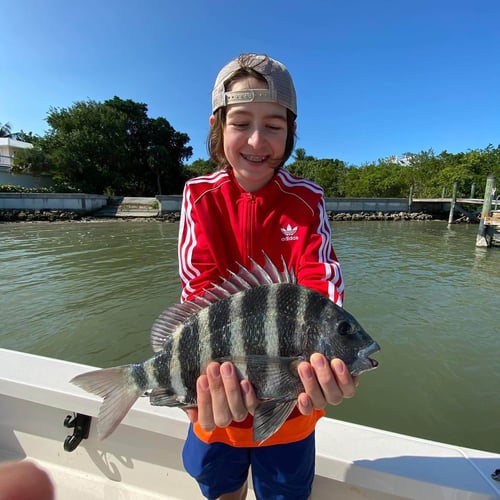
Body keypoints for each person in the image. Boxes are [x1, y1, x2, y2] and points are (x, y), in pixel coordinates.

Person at [178, 53, 357, 500]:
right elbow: (198, 293)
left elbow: (321, 284)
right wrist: (195, 389)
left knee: (284, 490)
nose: (258, 140)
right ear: (218, 127)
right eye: (241, 122)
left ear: (290, 132)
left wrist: (330, 354)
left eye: (274, 126)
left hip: (291, 405)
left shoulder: (307, 198)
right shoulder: (199, 195)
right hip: (216, 400)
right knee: (221, 487)